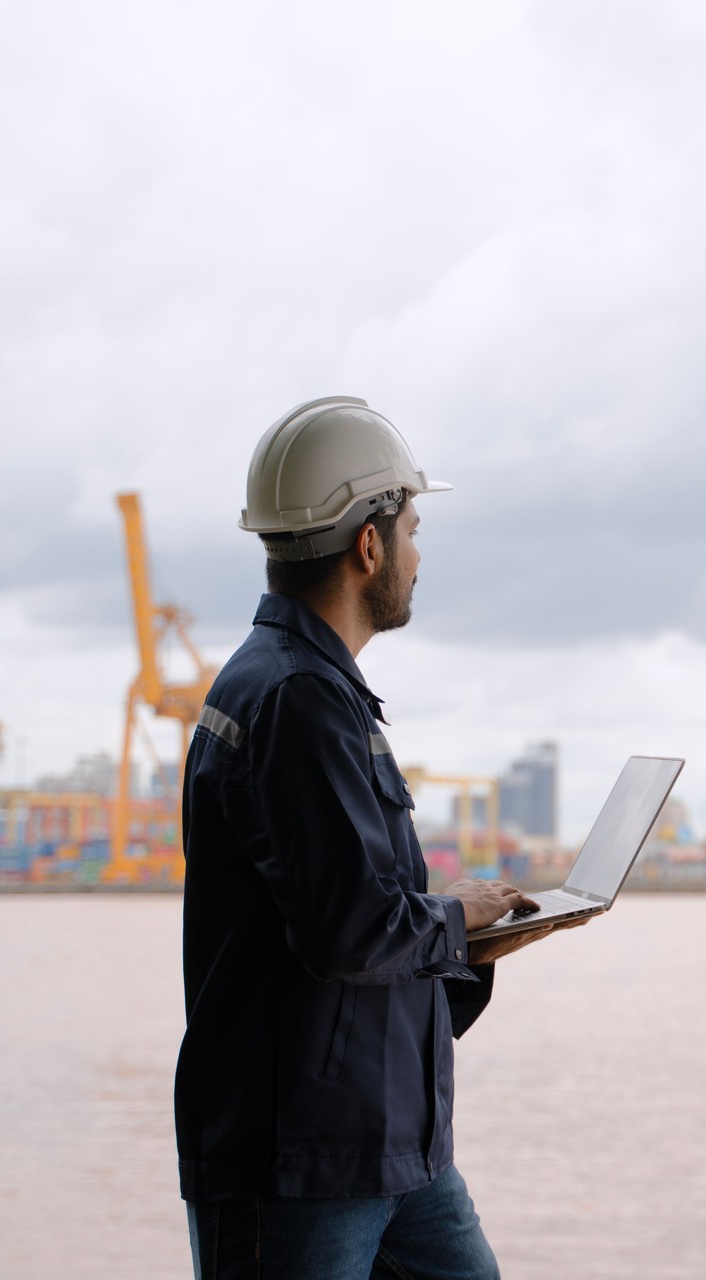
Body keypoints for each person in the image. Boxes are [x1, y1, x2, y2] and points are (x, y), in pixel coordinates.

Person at [175, 396, 573, 1280]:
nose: (419, 556)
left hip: (390, 1149)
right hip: (301, 1168)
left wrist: (476, 945)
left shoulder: (311, 693)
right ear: (368, 544)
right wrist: (457, 920)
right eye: (414, 528)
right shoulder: (295, 701)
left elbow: (347, 926)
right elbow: (350, 932)